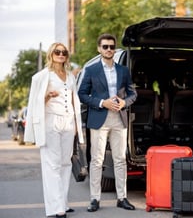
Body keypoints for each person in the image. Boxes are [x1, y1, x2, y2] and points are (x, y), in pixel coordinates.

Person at [78, 33, 137, 212]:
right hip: (99, 118)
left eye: (112, 47)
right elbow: (82, 94)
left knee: (120, 160)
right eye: (105, 47)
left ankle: (122, 198)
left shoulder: (123, 71)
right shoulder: (91, 70)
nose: (109, 50)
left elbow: (133, 93)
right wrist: (102, 102)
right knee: (97, 160)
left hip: (119, 119)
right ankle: (95, 199)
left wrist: (124, 102)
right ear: (99, 49)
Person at [24, 43, 84, 218]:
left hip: (68, 123)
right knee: (52, 165)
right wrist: (46, 96)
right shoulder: (42, 76)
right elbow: (33, 104)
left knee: (65, 163)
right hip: (50, 122)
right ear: (51, 54)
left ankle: (63, 203)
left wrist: (75, 126)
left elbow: (74, 101)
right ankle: (56, 208)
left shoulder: (71, 77)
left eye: (64, 52)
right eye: (57, 52)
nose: (61, 54)